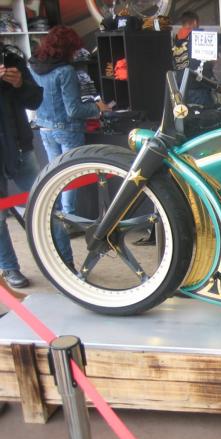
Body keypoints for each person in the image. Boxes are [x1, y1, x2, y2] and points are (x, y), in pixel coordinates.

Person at [29, 25, 109, 269]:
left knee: (56, 175)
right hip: (68, 128)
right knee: (71, 177)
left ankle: (62, 217)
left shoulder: (34, 65)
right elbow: (74, 109)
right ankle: (69, 218)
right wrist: (98, 108)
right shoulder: (65, 71)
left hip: (44, 127)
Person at [0, 43, 43, 288]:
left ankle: (63, 262)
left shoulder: (11, 59)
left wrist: (19, 84)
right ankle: (9, 267)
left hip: (20, 147)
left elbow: (35, 100)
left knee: (45, 207)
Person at [172, 10, 217, 107]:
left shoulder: (175, 41)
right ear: (195, 22)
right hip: (199, 89)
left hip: (180, 88)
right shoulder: (200, 37)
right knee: (205, 114)